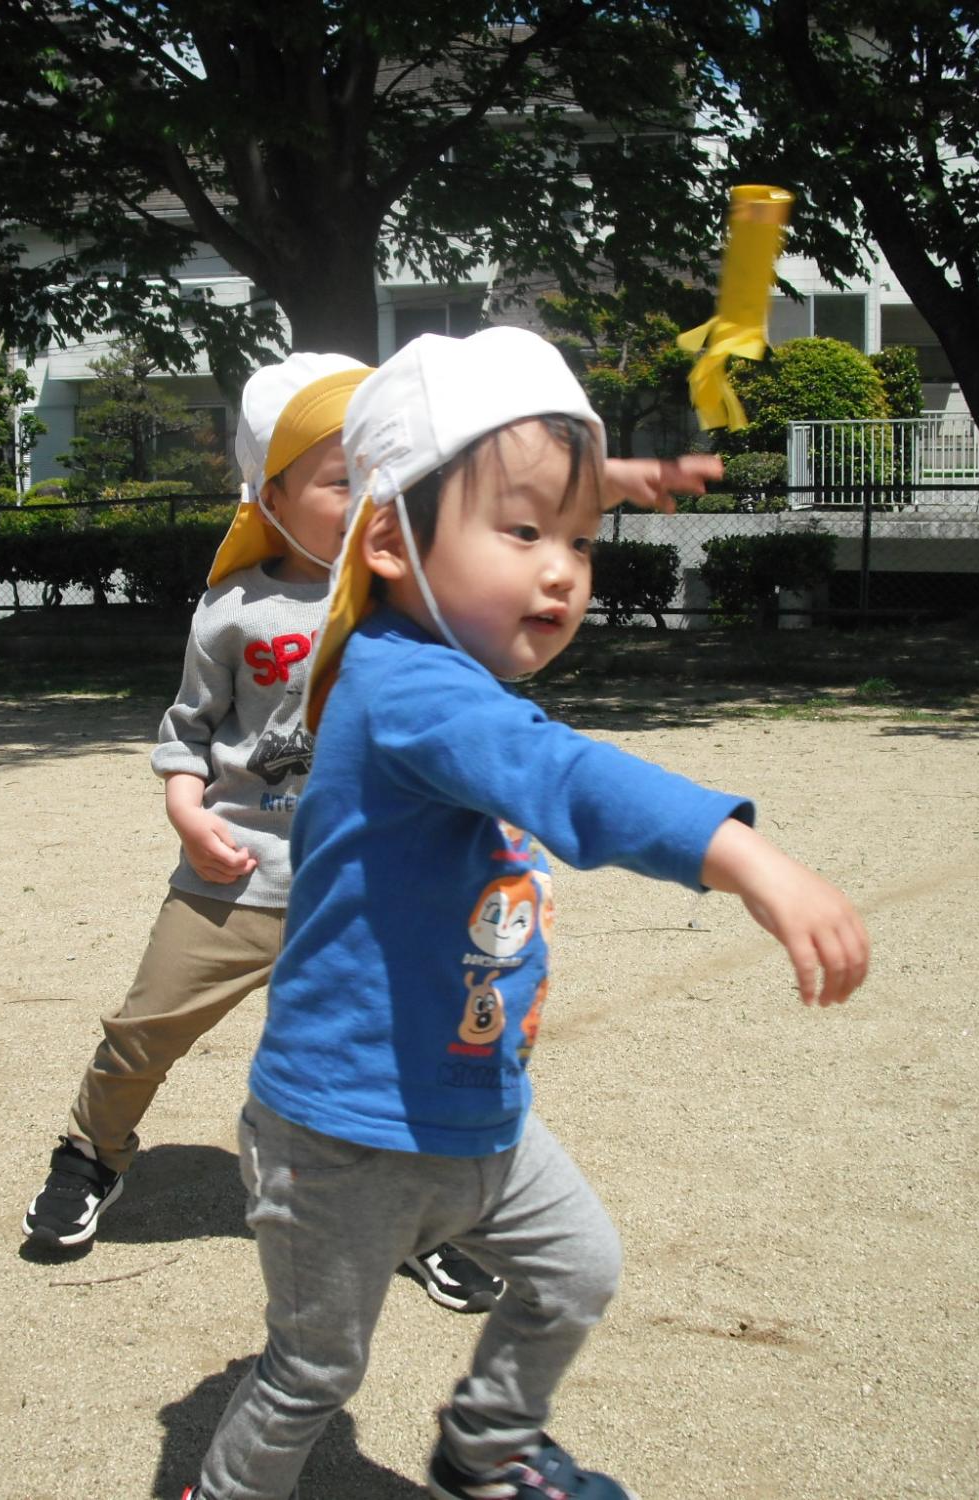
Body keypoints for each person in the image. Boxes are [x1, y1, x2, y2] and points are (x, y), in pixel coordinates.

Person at [182, 327, 870, 1500]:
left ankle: (485, 1446)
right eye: (521, 533)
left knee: (575, 1269)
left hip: (473, 1104)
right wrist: (741, 854)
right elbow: (566, 781)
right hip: (344, 1129)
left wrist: (596, 484)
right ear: (391, 541)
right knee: (315, 1368)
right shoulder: (410, 691)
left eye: (579, 539)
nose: (561, 571)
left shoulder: (445, 678)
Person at [22, 351, 507, 1316]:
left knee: (396, 1053)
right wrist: (188, 814)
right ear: (271, 493)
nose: (367, 495)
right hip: (236, 873)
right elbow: (186, 737)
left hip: (368, 889)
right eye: (340, 479)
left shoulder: (410, 602)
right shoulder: (233, 608)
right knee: (144, 1029)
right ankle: (90, 1155)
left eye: (384, 476)